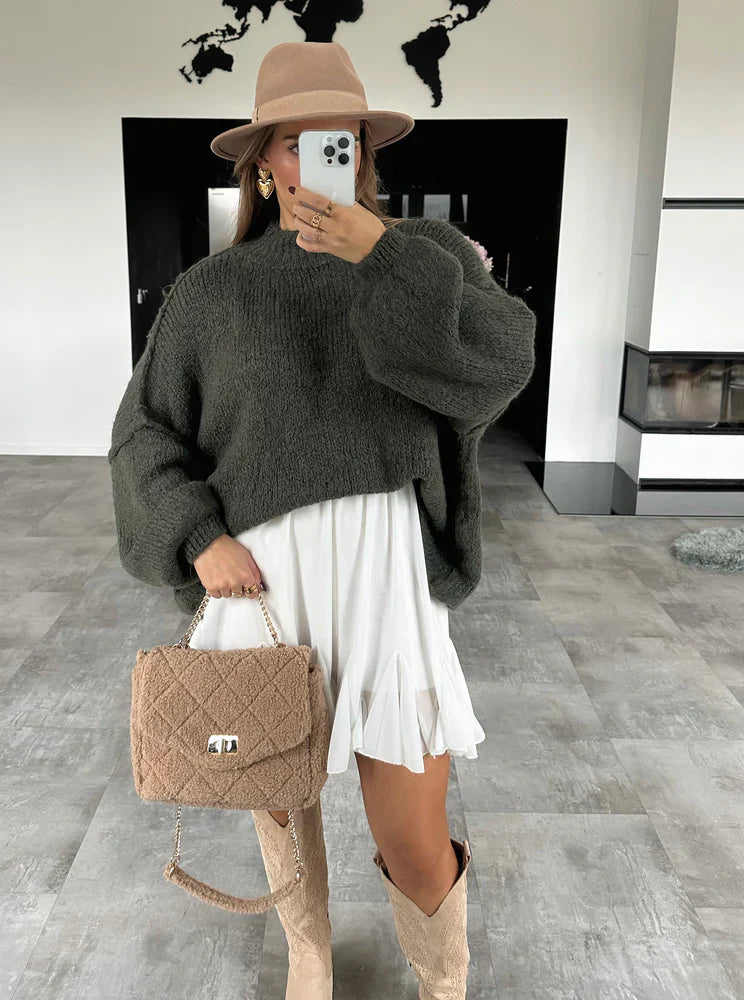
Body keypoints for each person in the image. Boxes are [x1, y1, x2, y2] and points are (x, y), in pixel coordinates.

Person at [108, 39, 537, 1000]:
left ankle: (444, 981)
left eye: (340, 140)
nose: (319, 160)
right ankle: (308, 958)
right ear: (264, 161)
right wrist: (197, 536)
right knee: (277, 795)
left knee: (413, 831)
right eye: (298, 142)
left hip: (384, 574)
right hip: (263, 577)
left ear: (365, 154)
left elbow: (499, 364)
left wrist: (380, 254)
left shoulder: (425, 258)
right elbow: (142, 432)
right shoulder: (215, 292)